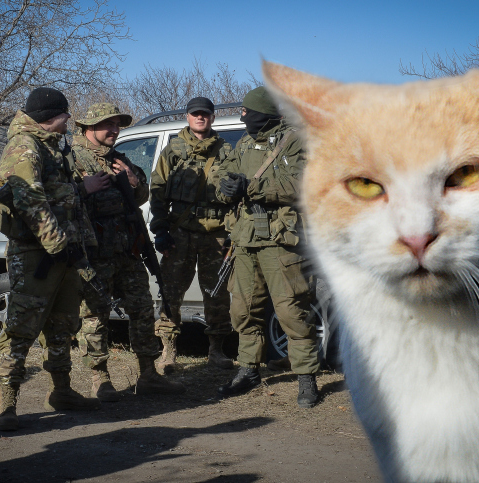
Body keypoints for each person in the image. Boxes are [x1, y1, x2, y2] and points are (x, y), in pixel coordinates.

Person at [0, 87, 100, 432]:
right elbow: (30, 200)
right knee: (22, 328)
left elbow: (58, 193)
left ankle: (61, 390)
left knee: (63, 325)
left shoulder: (52, 146)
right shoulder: (24, 145)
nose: (69, 119)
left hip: (64, 253)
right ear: (51, 116)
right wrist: (57, 244)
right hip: (38, 255)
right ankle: (6, 402)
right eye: (65, 114)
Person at [214, 87, 321, 408]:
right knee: (243, 309)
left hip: (280, 240)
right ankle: (248, 370)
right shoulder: (244, 143)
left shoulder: (296, 141)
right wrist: (226, 187)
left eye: (247, 112)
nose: (243, 116)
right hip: (245, 239)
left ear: (264, 113)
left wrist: (253, 186)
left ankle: (306, 377)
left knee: (291, 309)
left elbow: (304, 184)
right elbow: (223, 172)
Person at [72, 102, 185, 401]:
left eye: (117, 124)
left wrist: (134, 182)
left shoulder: (120, 159)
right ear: (88, 127)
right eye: (108, 124)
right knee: (96, 316)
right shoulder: (71, 160)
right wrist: (83, 188)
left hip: (127, 251)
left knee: (142, 310)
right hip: (94, 255)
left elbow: (141, 194)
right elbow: (57, 199)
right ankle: (99, 378)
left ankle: (148, 374)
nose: (115, 129)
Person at [149, 97, 234, 373]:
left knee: (217, 293)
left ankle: (216, 351)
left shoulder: (226, 151)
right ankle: (168, 351)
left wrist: (233, 231)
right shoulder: (173, 150)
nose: (201, 118)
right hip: (181, 233)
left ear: (212, 118)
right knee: (171, 291)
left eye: (205, 114)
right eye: (196, 114)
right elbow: (158, 190)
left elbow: (237, 195)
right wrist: (160, 229)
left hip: (216, 235)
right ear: (187, 117)